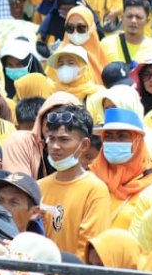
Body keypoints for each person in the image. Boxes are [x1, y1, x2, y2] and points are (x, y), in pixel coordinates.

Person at [37, 104, 111, 257]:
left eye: (64, 140)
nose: (55, 146)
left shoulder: (95, 190)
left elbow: (88, 248)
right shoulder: (39, 187)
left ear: (84, 145)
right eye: (51, 139)